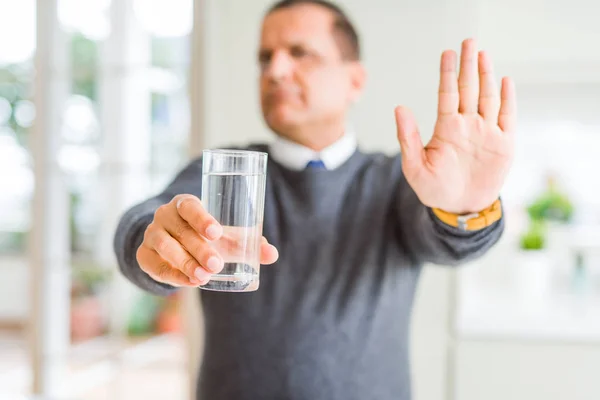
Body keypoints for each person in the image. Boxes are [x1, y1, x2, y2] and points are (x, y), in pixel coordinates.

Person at [113, 0, 516, 399]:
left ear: (354, 81)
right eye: (265, 57)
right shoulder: (226, 173)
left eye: (300, 53)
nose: (275, 70)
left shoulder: (397, 181)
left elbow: (449, 242)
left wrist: (466, 206)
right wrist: (152, 241)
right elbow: (146, 221)